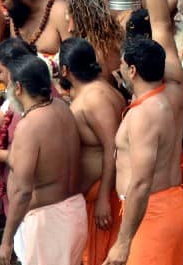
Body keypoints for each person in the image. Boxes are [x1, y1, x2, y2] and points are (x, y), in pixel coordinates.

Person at [105, 37, 183, 265]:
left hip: (152, 213)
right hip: (159, 208)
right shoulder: (166, 98)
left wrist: (123, 243)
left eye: (121, 65)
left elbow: (141, 182)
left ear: (132, 70)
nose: (117, 70)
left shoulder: (144, 114)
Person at [0, 54, 86, 265]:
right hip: (74, 211)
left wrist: (7, 240)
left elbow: (22, 191)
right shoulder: (62, 108)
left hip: (48, 223)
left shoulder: (29, 125)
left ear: (18, 87)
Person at [58, 38, 124, 265]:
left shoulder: (96, 97)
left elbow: (113, 146)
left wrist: (104, 198)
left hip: (102, 195)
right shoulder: (94, 91)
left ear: (64, 69)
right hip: (92, 195)